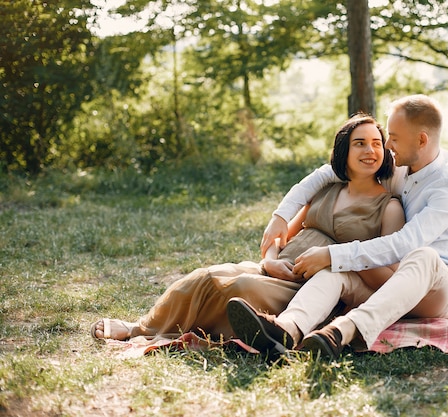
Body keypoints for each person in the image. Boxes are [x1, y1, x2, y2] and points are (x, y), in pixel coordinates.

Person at [90, 113, 405, 345]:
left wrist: (336, 257)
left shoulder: (388, 206)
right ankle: (139, 328)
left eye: (377, 143)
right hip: (274, 270)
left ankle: (204, 332)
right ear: (343, 152)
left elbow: (390, 278)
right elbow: (285, 235)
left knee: (240, 287)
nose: (370, 151)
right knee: (205, 276)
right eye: (359, 143)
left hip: (310, 289)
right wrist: (270, 260)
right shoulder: (325, 190)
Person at [227, 94, 448, 359]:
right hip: (390, 286)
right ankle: (286, 329)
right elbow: (327, 173)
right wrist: (281, 216)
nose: (387, 145)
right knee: (337, 272)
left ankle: (342, 330)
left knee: (424, 256)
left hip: (435, 292)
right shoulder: (402, 166)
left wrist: (333, 253)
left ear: (421, 140)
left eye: (394, 138)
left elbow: (404, 244)